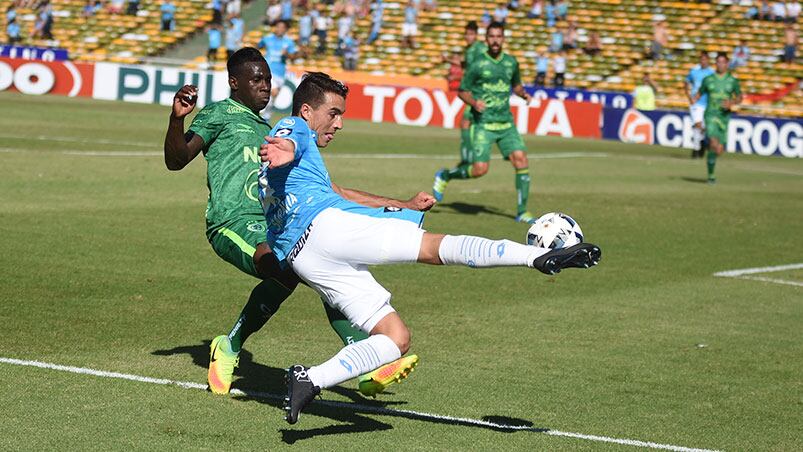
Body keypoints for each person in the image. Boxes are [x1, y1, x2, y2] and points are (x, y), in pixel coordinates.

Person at [256, 72, 602, 424]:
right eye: (333, 113)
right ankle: (537, 257)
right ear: (307, 111)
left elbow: (338, 192)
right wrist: (289, 147)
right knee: (435, 248)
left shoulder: (300, 166)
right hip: (326, 229)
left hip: (305, 258)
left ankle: (310, 379)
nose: (339, 123)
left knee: (396, 338)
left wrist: (401, 205)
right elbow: (291, 137)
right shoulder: (293, 127)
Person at [163, 48, 425, 398]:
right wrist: (177, 119)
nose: (265, 86)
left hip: (274, 227)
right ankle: (233, 346)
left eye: (268, 80)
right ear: (234, 82)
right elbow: (177, 159)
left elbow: (335, 191)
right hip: (232, 222)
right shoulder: (218, 114)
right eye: (256, 79)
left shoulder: (273, 131)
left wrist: (402, 205)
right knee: (289, 267)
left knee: (315, 262)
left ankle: (232, 347)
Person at [432, 22, 537, 224]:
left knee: (521, 160)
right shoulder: (478, 63)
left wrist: (523, 94)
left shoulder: (511, 62)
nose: (495, 40)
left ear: (504, 38)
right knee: (480, 170)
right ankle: (446, 175)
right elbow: (462, 91)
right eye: (492, 36)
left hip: (506, 123)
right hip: (484, 124)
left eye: (499, 36)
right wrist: (474, 102)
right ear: (486, 39)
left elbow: (515, 85)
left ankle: (522, 212)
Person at [434, 21, 485, 208]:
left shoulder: (479, 49)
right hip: (474, 94)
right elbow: (465, 64)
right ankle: (466, 158)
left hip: (479, 93)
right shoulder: (470, 50)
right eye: (467, 34)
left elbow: (473, 67)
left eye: (472, 34)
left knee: (468, 122)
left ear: (476, 35)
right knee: (465, 122)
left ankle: (467, 158)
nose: (469, 37)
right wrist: (449, 60)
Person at [692, 53, 742, 184]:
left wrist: (732, 102)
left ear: (727, 64)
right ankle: (711, 176)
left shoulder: (733, 81)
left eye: (723, 62)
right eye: (718, 62)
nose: (720, 64)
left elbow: (739, 97)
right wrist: (694, 98)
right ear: (716, 63)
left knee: (719, 149)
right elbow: (700, 92)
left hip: (724, 117)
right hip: (710, 115)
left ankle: (711, 169)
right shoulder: (708, 79)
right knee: (714, 143)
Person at [257, 20, 297, 121]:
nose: (280, 29)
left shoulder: (289, 42)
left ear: (285, 29)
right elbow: (258, 46)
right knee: (273, 92)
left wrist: (287, 54)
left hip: (280, 73)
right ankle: (260, 113)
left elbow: (293, 57)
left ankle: (266, 117)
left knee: (273, 97)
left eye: (282, 27)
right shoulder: (267, 38)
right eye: (278, 27)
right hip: (268, 70)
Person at [684, 52, 714, 158]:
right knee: (698, 124)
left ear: (708, 60)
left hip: (708, 103)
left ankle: (702, 143)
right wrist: (689, 97)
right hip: (696, 103)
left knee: (704, 127)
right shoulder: (694, 71)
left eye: (705, 59)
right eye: (702, 59)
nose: (703, 61)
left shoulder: (712, 73)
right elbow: (686, 83)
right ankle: (696, 150)